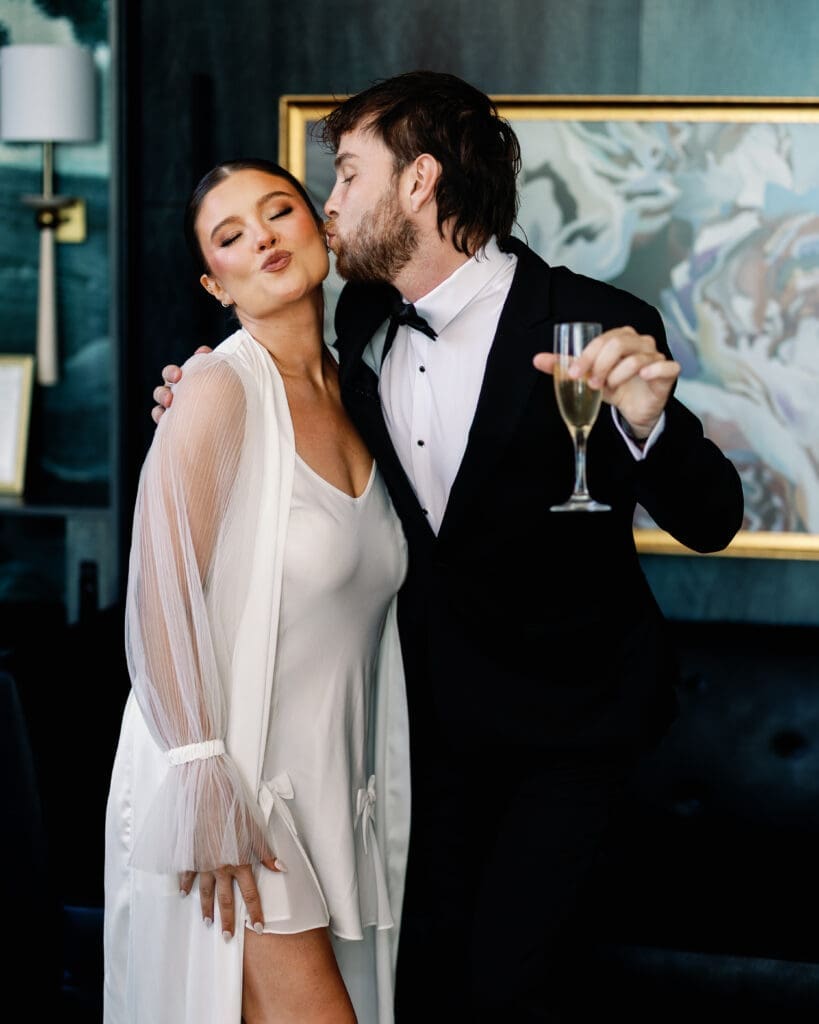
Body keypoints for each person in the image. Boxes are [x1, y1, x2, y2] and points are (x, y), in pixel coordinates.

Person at [152, 72, 745, 1022]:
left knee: (505, 990)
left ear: (419, 181)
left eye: (346, 176)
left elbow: (712, 519)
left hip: (573, 732)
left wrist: (649, 424)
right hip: (417, 737)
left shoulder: (591, 317)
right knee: (415, 989)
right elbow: (282, 417)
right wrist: (196, 403)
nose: (330, 206)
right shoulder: (361, 321)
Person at [104, 158, 412, 1024]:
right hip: (232, 788)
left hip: (333, 793)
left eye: (279, 212)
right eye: (231, 236)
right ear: (215, 282)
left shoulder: (363, 389)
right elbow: (159, 596)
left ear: (320, 226)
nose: (263, 238)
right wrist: (203, 783)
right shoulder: (214, 393)